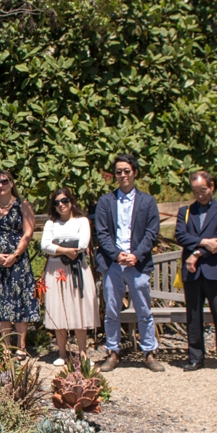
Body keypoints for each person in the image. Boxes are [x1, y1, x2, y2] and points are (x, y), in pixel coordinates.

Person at [91, 154, 165, 372]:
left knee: (144, 310)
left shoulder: (148, 201)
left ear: (135, 172)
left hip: (137, 264)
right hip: (114, 264)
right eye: (119, 172)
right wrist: (117, 254)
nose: (123, 175)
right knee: (112, 310)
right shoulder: (106, 201)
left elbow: (152, 232)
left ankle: (149, 352)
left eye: (126, 171)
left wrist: (136, 255)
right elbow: (102, 233)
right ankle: (112, 352)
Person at [174, 170, 217, 371]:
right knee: (193, 315)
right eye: (195, 191)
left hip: (214, 269)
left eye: (203, 190)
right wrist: (202, 242)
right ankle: (195, 357)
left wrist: (197, 253)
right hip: (192, 273)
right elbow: (180, 236)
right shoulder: (186, 211)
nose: (200, 195)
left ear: (212, 186)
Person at [0, 169, 41, 355]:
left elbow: (28, 232)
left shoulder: (23, 205)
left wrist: (15, 254)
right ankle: (5, 347)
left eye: (4, 181)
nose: (0, 185)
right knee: (0, 302)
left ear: (11, 183)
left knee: (20, 301)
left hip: (18, 262)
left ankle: (20, 347)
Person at [40, 188, 96, 363]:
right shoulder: (51, 224)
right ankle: (62, 353)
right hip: (55, 270)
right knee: (59, 309)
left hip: (78, 268)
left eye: (64, 201)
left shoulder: (82, 221)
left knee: (79, 309)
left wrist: (57, 247)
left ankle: (83, 352)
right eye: (57, 203)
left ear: (71, 201)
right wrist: (65, 249)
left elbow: (83, 243)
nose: (61, 205)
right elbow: (44, 246)